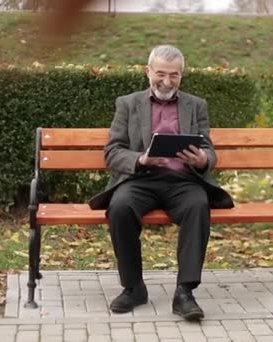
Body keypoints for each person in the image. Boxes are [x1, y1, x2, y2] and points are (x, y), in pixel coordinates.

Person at [89, 44, 234, 321]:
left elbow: (210, 151)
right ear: (148, 72)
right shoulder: (128, 104)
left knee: (198, 205)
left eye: (174, 76)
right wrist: (140, 160)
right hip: (140, 179)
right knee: (120, 208)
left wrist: (202, 159)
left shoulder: (196, 105)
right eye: (161, 74)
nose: (167, 82)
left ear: (182, 75)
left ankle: (184, 292)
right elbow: (113, 151)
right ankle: (133, 288)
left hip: (183, 181)